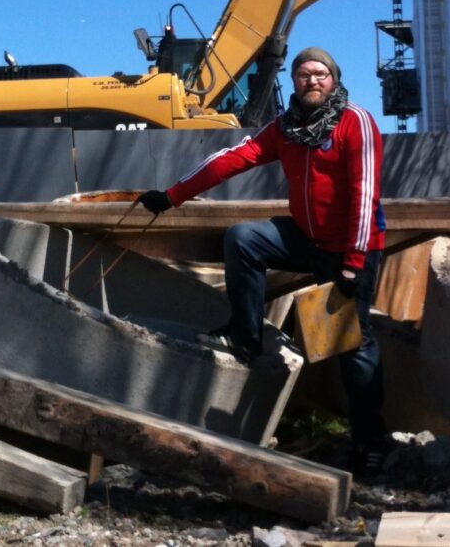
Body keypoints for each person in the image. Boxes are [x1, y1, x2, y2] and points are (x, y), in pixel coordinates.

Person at [139, 47, 387, 476]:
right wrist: (172, 196)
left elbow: (366, 192)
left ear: (334, 79)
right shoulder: (286, 128)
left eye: (320, 74)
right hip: (307, 238)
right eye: (303, 74)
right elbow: (234, 158)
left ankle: (369, 441)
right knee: (245, 238)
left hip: (351, 247)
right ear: (293, 82)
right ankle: (246, 335)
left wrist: (354, 261)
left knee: (353, 345)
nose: (312, 80)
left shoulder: (355, 122)